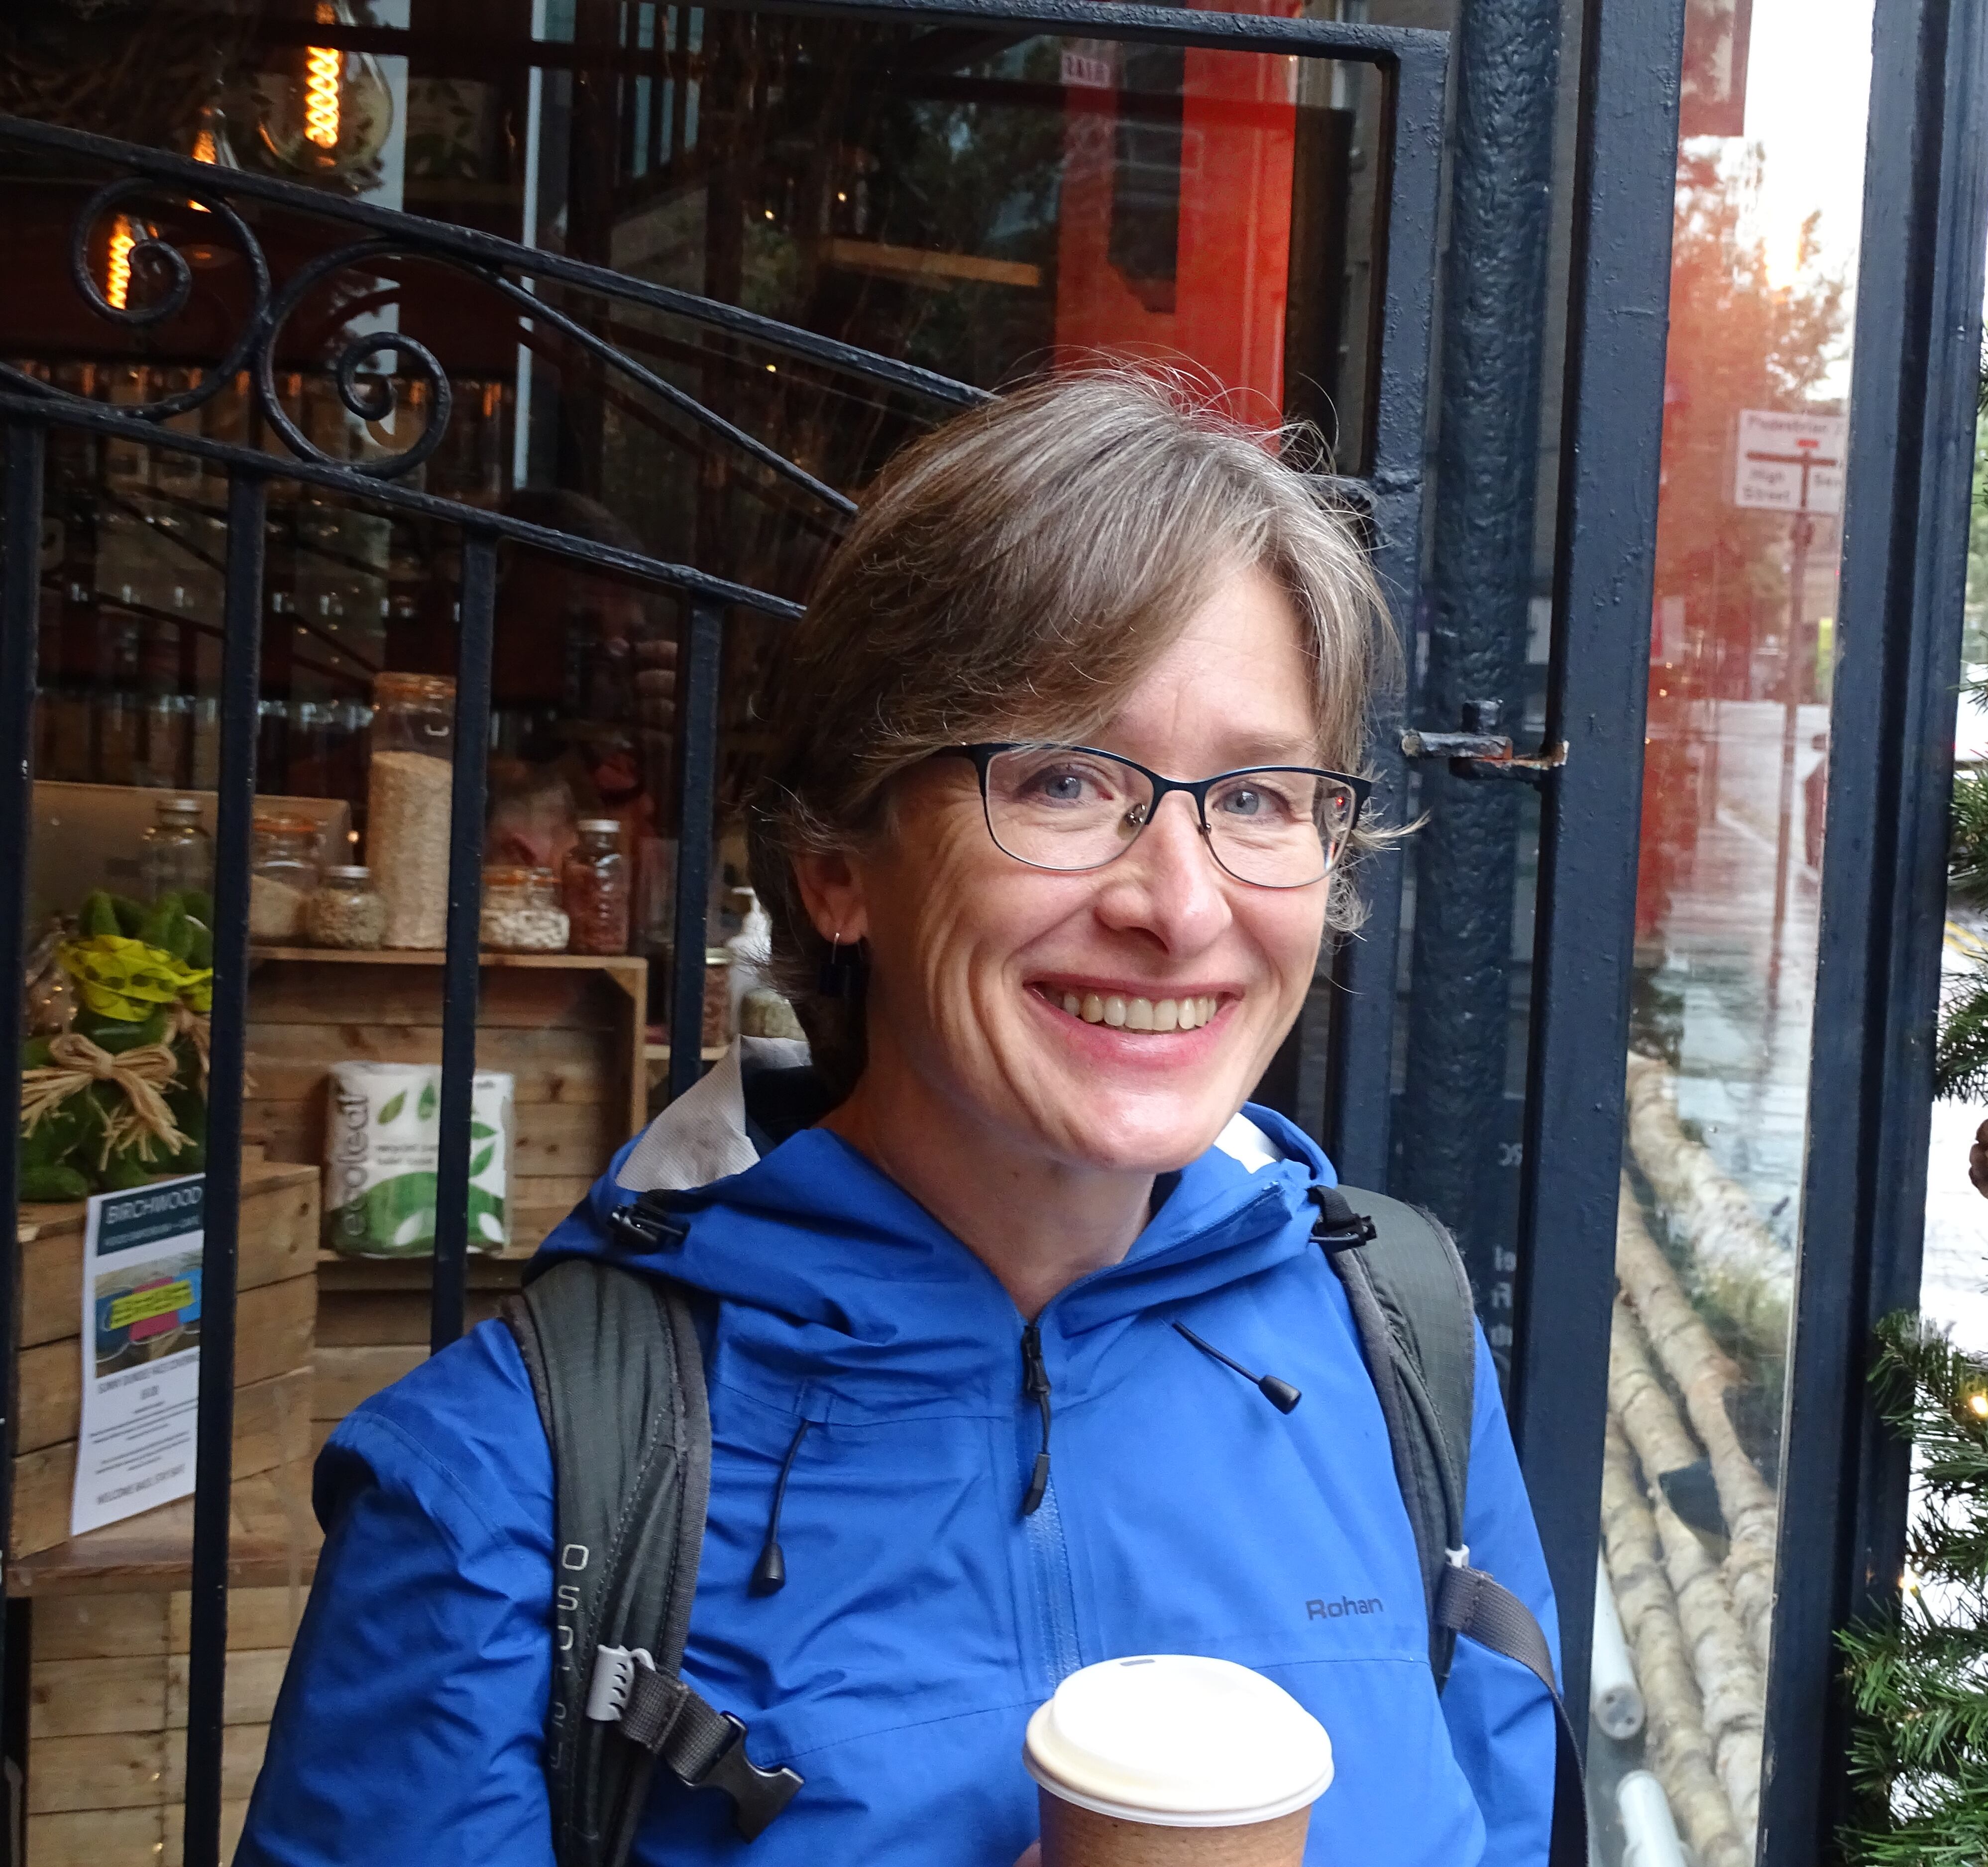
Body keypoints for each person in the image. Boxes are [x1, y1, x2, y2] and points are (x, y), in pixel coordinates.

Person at [234, 369, 1559, 1866]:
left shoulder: (1402, 1349)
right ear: (837, 869)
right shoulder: (510, 1486)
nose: (1183, 907)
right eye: (1063, 781)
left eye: (1257, 797)